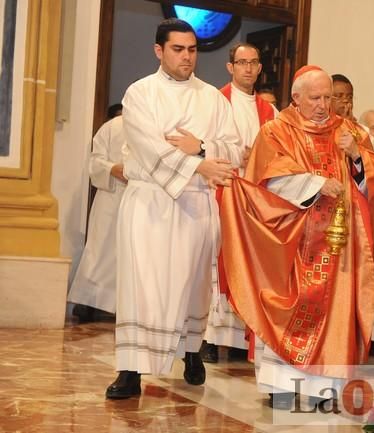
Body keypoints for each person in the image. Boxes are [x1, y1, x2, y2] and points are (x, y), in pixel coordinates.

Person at [218, 65, 374, 409]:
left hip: (338, 246)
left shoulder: (350, 131)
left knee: (334, 313)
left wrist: (356, 154)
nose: (324, 105)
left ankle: (321, 388)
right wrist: (313, 185)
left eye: (328, 97)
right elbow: (266, 180)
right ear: (297, 98)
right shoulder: (276, 131)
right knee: (286, 307)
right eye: (315, 98)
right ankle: (280, 384)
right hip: (293, 241)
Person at [105, 18, 242, 400]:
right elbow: (149, 146)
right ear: (159, 51)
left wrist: (201, 147)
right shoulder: (140, 94)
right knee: (141, 286)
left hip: (195, 204)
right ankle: (130, 370)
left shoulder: (213, 98)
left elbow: (234, 149)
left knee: (191, 285)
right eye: (178, 49)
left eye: (192, 49)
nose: (187, 57)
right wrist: (200, 163)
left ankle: (191, 351)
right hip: (149, 203)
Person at [202, 42, 278, 363]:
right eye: (241, 62)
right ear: (230, 67)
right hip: (222, 188)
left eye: (254, 63)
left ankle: (242, 335)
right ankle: (208, 336)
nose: (248, 68)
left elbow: (278, 151)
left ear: (260, 68)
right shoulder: (215, 101)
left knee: (248, 264)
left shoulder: (270, 111)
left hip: (255, 197)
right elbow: (203, 142)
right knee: (217, 262)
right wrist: (235, 154)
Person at [68, 103, 126, 322]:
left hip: (142, 198)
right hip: (111, 196)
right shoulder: (112, 127)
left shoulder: (155, 129)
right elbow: (95, 161)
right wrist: (112, 169)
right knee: (100, 249)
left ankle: (124, 308)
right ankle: (88, 303)